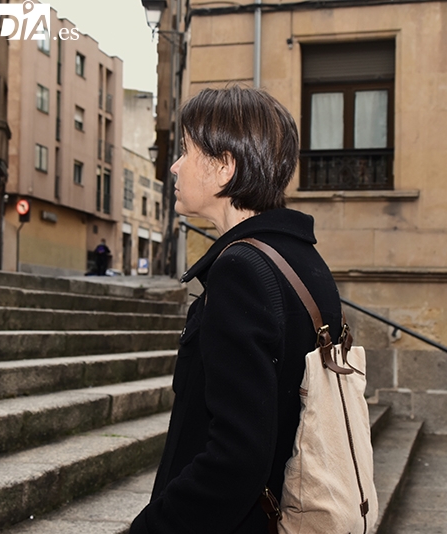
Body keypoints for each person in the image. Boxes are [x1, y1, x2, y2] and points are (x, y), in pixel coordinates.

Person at [130, 86, 343, 533]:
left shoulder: (241, 270)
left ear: (224, 167)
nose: (174, 166)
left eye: (185, 151)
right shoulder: (304, 260)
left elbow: (236, 459)